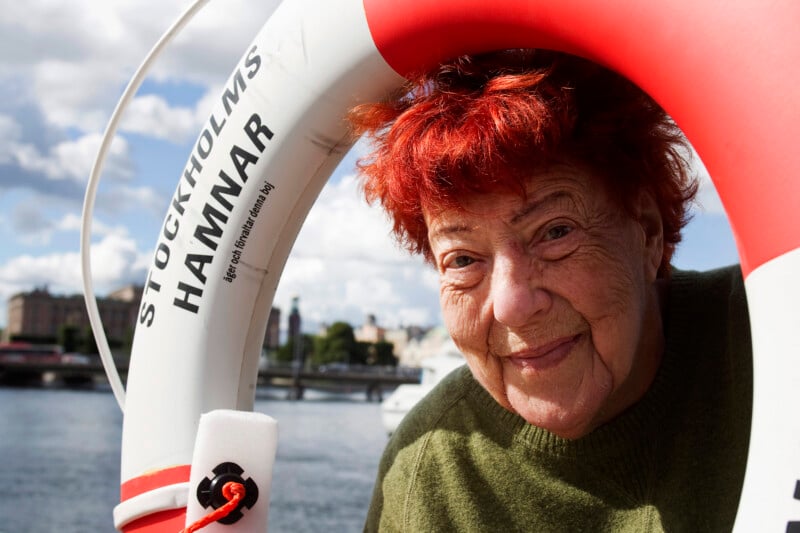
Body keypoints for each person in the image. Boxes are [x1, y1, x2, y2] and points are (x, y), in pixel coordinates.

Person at [348, 50, 752, 532]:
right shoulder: (431, 472)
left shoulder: (774, 334)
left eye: (555, 232)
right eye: (463, 260)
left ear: (647, 232)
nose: (513, 306)